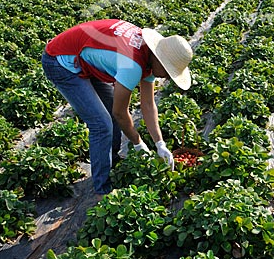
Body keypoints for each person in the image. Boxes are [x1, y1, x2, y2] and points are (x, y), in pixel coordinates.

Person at [42, 19, 193, 195]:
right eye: (168, 71)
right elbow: (120, 113)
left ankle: (111, 160)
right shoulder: (132, 65)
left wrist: (160, 143)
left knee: (110, 116)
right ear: (159, 58)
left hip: (85, 57)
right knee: (102, 124)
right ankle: (102, 189)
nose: (167, 76)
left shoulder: (149, 55)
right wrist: (137, 143)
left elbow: (148, 104)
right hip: (60, 60)